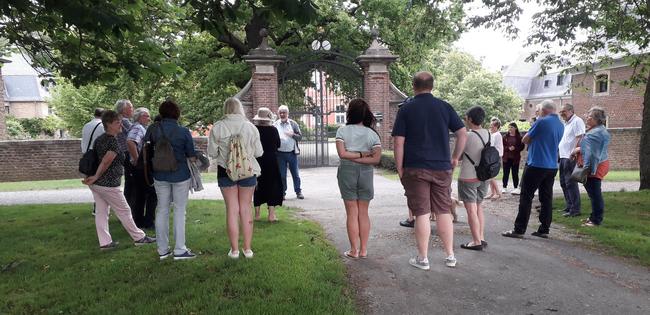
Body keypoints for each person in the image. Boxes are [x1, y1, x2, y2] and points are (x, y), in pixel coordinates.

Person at [392, 71, 467, 270]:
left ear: (414, 86)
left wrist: (399, 166)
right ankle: (450, 256)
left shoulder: (406, 109)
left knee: (422, 213)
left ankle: (423, 258)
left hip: (415, 167)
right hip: (442, 167)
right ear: (432, 86)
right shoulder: (444, 107)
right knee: (443, 211)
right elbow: (462, 133)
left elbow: (399, 142)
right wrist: (455, 157)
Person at [82, 110, 156, 250]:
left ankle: (105, 243)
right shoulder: (112, 142)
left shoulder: (101, 139)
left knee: (102, 212)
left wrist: (94, 178)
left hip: (98, 184)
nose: (120, 124)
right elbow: (105, 162)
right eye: (117, 123)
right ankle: (139, 237)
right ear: (108, 124)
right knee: (124, 210)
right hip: (108, 184)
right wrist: (96, 176)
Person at [208, 97, 263, 259]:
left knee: (232, 209)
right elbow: (259, 153)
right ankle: (248, 249)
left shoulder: (217, 127)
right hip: (247, 171)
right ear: (240, 109)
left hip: (226, 171)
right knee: (245, 208)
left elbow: (211, 153)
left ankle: (234, 251)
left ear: (225, 109)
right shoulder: (251, 127)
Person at [502, 99, 564, 239]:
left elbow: (525, 140)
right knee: (546, 198)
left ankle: (519, 229)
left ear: (544, 110)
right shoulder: (560, 125)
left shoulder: (541, 121)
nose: (537, 112)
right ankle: (544, 229)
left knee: (526, 196)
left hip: (536, 163)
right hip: (552, 165)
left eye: (539, 109)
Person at [147, 100, 197, 260]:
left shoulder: (153, 129)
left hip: (159, 173)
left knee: (161, 209)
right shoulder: (183, 131)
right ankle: (180, 249)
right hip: (180, 174)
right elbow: (191, 154)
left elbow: (145, 148)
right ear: (177, 113)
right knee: (179, 210)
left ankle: (162, 249)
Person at [335, 99, 382, 259]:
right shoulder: (373, 134)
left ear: (350, 113)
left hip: (347, 171)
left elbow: (343, 154)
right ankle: (363, 250)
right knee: (363, 212)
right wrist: (363, 155)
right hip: (367, 173)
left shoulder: (342, 131)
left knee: (351, 213)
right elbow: (376, 159)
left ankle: (353, 250)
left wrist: (353, 157)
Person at [458, 106, 490, 250]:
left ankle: (476, 241)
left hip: (469, 176)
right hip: (484, 176)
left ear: (470, 119)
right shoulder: (488, 133)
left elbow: (457, 155)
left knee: (471, 210)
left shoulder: (467, 136)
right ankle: (481, 237)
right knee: (478, 207)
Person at [572, 107, 610, 227]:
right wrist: (578, 150)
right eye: (587, 115)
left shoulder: (595, 133)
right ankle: (593, 217)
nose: (587, 117)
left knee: (595, 194)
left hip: (595, 167)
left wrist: (588, 170)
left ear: (597, 119)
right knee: (593, 193)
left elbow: (592, 155)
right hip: (597, 165)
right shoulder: (598, 130)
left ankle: (596, 220)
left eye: (590, 116)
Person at [127, 107, 157, 229]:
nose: (149, 119)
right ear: (139, 117)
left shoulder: (139, 127)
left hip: (138, 168)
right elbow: (130, 142)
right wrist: (138, 160)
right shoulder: (138, 128)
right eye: (146, 116)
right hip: (141, 168)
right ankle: (148, 222)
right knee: (151, 194)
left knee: (140, 195)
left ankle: (139, 221)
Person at [252, 107, 283, 222]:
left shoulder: (254, 129)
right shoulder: (273, 130)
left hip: (257, 159)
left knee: (257, 185)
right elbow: (278, 144)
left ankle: (257, 215)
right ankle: (271, 215)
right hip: (271, 160)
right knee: (272, 185)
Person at [558, 104, 586, 217]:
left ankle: (575, 209)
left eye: (563, 111)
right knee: (563, 183)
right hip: (563, 156)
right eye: (560, 112)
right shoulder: (566, 123)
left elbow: (581, 138)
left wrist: (575, 152)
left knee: (571, 183)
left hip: (571, 157)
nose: (561, 113)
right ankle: (569, 206)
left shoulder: (577, 121)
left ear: (571, 111)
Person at [274, 105, 304, 199]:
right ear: (278, 114)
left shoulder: (293, 124)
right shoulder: (275, 125)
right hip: (280, 154)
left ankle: (298, 192)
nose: (282, 114)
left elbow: (300, 137)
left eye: (284, 112)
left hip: (291, 153)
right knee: (282, 175)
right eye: (280, 112)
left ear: (288, 113)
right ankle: (282, 193)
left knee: (295, 174)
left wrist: (292, 134)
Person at [81, 108, 105, 216]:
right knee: (101, 183)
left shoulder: (86, 125)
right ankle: (99, 208)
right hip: (97, 157)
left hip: (87, 157)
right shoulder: (102, 126)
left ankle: (97, 207)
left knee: (93, 183)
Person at [115, 100, 136, 208]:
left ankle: (127, 207)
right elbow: (136, 135)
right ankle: (128, 207)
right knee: (131, 181)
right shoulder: (125, 121)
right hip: (128, 153)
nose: (133, 109)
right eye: (131, 107)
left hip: (123, 153)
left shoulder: (119, 120)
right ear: (124, 110)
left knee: (129, 180)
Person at [502, 122, 524, 195]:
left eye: (511, 127)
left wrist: (515, 148)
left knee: (515, 173)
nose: (510, 129)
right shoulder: (505, 137)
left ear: (515, 128)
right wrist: (508, 148)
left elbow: (522, 147)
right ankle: (504, 187)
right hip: (506, 158)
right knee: (506, 173)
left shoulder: (519, 137)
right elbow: (502, 146)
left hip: (515, 158)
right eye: (509, 127)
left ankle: (515, 187)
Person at [487, 117, 504, 200]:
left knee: (491, 175)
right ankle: (492, 192)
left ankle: (497, 193)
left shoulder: (496, 135)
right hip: (493, 156)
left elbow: (491, 146)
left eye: (492, 126)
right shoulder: (493, 134)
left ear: (496, 127)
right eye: (490, 126)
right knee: (490, 175)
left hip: (495, 157)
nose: (490, 128)